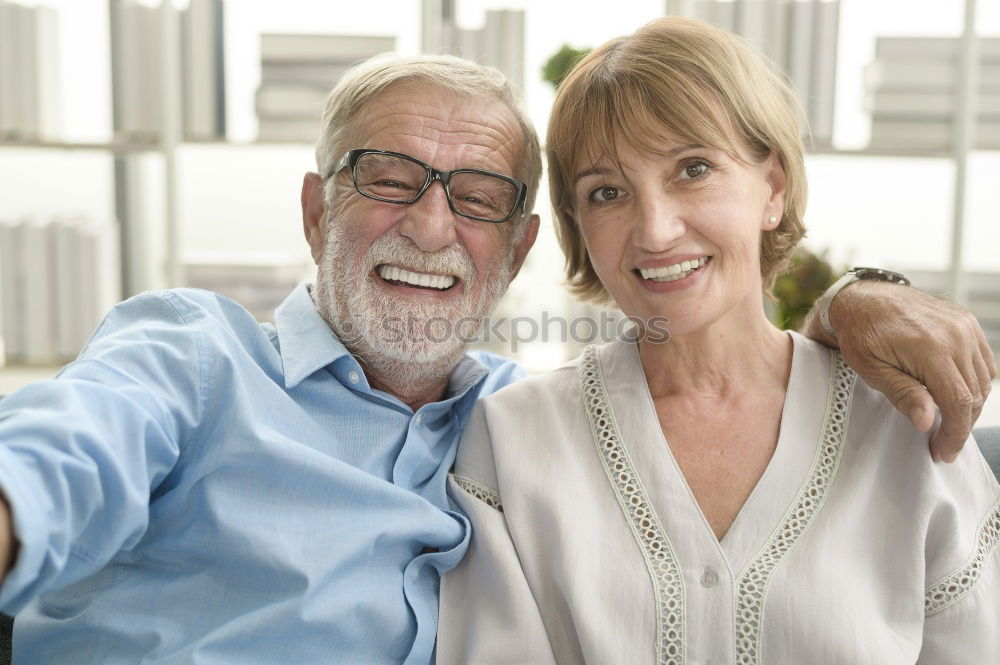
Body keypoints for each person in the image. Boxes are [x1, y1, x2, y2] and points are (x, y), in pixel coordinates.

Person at [0, 52, 990, 665]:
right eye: (387, 177)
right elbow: (58, 455)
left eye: (476, 196)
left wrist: (855, 299)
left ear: (515, 250)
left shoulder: (506, 420)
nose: (431, 225)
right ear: (315, 212)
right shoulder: (197, 355)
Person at [437, 18, 1000, 665]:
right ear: (578, 227)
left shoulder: (907, 425)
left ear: (775, 186)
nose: (654, 229)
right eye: (607, 192)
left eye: (693, 168)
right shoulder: (509, 442)